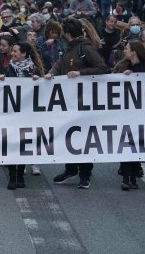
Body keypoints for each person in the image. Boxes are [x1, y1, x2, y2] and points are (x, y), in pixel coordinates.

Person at [46, 18, 109, 189]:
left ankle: (85, 174)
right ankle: (71, 169)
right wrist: (51, 72)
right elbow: (60, 64)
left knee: (84, 138)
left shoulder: (85, 48)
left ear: (67, 33)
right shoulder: (70, 48)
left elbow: (102, 68)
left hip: (85, 102)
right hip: (69, 102)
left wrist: (80, 73)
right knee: (69, 136)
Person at [0, 41, 44, 189]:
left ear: (24, 54)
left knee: (24, 143)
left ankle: (19, 175)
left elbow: (43, 90)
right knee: (12, 143)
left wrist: (39, 81)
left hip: (28, 113)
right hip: (11, 113)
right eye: (12, 51)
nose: (12, 53)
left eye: (16, 51)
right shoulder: (7, 68)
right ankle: (12, 177)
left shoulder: (34, 69)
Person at [112, 40, 145, 190]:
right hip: (125, 113)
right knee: (126, 144)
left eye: (127, 48)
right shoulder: (122, 66)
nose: (124, 51)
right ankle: (126, 177)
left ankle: (133, 176)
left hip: (141, 114)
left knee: (135, 145)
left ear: (134, 52)